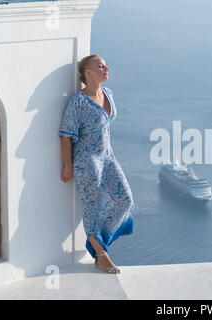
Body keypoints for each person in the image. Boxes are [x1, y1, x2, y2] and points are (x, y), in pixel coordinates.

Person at [59, 55, 135, 274]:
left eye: (105, 65)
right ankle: (101, 256)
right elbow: (66, 134)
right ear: (88, 73)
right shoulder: (78, 102)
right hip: (87, 160)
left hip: (108, 157)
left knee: (125, 200)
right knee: (92, 207)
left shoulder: (108, 94)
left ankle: (98, 244)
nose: (106, 68)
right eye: (100, 66)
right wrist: (69, 165)